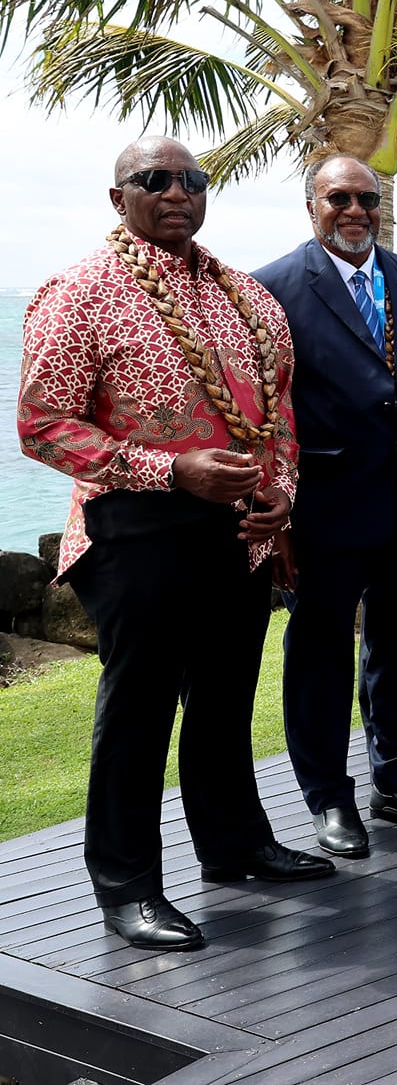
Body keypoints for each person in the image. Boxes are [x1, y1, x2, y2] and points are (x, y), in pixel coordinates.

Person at [18, 137, 332, 950]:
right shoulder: (79, 293)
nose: (176, 193)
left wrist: (281, 499)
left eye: (192, 180)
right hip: (136, 527)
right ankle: (126, 886)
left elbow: (282, 417)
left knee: (226, 698)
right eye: (153, 180)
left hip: (239, 531)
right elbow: (42, 425)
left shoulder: (250, 300)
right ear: (116, 195)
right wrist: (169, 469)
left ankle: (234, 846)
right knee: (140, 710)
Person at [255, 155, 397, 858]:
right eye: (338, 198)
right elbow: (265, 412)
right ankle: (327, 798)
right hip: (324, 511)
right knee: (318, 655)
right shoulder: (274, 287)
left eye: (367, 199)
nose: (355, 210)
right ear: (311, 205)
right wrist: (278, 516)